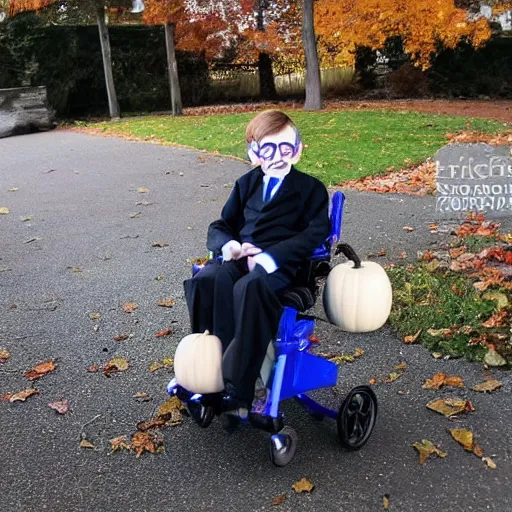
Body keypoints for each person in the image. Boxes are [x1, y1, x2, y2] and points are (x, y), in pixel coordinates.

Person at [184, 110, 330, 412]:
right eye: (268, 149)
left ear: (299, 150)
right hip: (241, 257)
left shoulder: (310, 189)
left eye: (285, 148)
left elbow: (316, 232)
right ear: (254, 153)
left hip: (281, 266)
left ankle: (241, 387)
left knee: (248, 288)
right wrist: (232, 246)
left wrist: (269, 257)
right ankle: (209, 370)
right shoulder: (247, 184)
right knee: (208, 281)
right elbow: (221, 225)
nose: (277, 157)